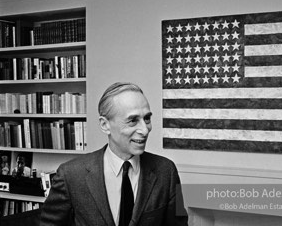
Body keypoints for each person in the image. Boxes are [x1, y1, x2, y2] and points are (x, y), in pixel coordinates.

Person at [40, 82, 188, 226]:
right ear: (105, 125)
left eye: (147, 118)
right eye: (132, 120)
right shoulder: (70, 175)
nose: (145, 130)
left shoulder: (167, 171)